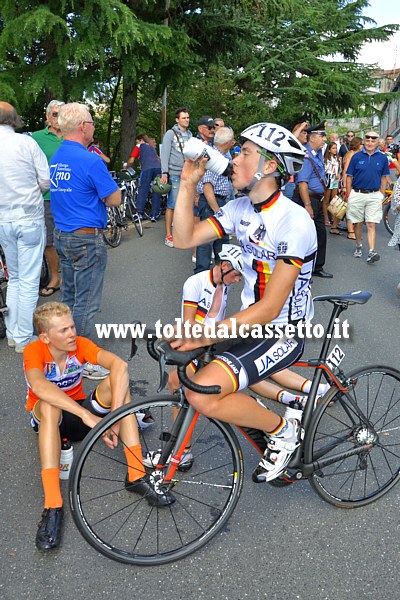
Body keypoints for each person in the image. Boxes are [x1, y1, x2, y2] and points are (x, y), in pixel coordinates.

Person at [170, 121, 318, 483]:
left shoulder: (294, 222)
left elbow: (270, 308)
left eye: (245, 153)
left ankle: (282, 430)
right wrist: (188, 183)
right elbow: (185, 237)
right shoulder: (239, 208)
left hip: (283, 329)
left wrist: (206, 335)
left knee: (203, 393)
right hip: (251, 322)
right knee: (182, 376)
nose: (234, 160)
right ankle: (279, 408)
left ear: (269, 166)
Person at [24, 302, 174, 551]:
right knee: (49, 405)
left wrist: (115, 415)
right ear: (45, 337)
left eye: (72, 326)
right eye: (63, 331)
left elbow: (120, 366)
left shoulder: (80, 344)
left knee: (120, 387)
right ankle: (53, 505)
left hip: (82, 414)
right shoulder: (34, 350)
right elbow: (39, 387)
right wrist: (86, 415)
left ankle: (136, 475)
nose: (72, 333)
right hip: (52, 419)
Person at [50, 102, 120, 379]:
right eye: (91, 123)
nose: (93, 127)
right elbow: (114, 198)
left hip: (62, 235)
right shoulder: (90, 159)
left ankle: (61, 351)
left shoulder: (56, 156)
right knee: (86, 302)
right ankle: (81, 358)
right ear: (82, 127)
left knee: (68, 297)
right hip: (86, 238)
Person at [0, 101, 49, 352]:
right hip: (28, 216)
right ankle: (22, 337)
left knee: (15, 277)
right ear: (14, 119)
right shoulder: (26, 143)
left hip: (3, 219)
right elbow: (45, 180)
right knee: (29, 281)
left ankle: (12, 332)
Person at [32, 100, 64, 297]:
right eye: (54, 114)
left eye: (61, 114)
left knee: (72, 237)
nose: (58, 118)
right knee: (50, 240)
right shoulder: (35, 138)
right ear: (47, 117)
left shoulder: (73, 137)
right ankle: (55, 277)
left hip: (71, 196)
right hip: (47, 196)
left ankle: (71, 277)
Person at [293, 121, 333, 278]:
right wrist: (308, 205)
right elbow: (303, 183)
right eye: (322, 136)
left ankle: (316, 267)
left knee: (320, 233)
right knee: (305, 235)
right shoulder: (306, 155)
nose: (324, 139)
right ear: (312, 138)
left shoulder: (316, 155)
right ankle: (300, 269)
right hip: (307, 199)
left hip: (317, 199)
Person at [345, 131, 390, 263]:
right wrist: (348, 195)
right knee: (358, 223)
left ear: (377, 142)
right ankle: (359, 245)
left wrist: (381, 195)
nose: (370, 142)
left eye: (373, 139)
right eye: (368, 139)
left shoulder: (382, 158)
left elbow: (384, 177)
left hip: (374, 195)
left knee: (371, 223)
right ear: (364, 141)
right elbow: (349, 177)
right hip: (357, 193)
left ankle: (371, 251)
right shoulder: (356, 157)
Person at [194, 126, 234, 273]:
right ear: (227, 142)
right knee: (206, 240)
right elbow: (207, 187)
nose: (233, 142)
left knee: (222, 240)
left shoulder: (225, 156)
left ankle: (221, 272)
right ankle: (201, 274)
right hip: (213, 202)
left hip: (220, 201)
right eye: (232, 140)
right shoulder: (214, 158)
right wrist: (217, 210)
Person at [160, 107, 192, 247]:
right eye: (184, 118)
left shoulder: (190, 135)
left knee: (185, 205)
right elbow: (165, 153)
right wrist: (164, 173)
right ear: (177, 119)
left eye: (188, 117)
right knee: (172, 205)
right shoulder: (170, 134)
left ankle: (180, 233)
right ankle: (168, 235)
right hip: (174, 174)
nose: (187, 120)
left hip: (188, 174)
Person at [127, 133, 162, 221]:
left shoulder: (139, 146)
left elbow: (131, 160)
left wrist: (125, 166)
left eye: (136, 141)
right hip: (158, 168)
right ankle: (154, 214)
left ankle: (139, 213)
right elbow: (158, 159)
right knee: (156, 190)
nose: (136, 143)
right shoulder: (152, 147)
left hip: (147, 169)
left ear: (140, 140)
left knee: (143, 190)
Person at [323, 142, 340, 231]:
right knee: (326, 200)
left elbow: (339, 169)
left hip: (335, 179)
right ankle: (325, 219)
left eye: (336, 148)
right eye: (333, 148)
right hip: (329, 178)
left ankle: (333, 218)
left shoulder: (337, 158)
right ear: (329, 150)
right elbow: (325, 170)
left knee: (334, 199)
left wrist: (338, 174)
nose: (335, 150)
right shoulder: (326, 159)